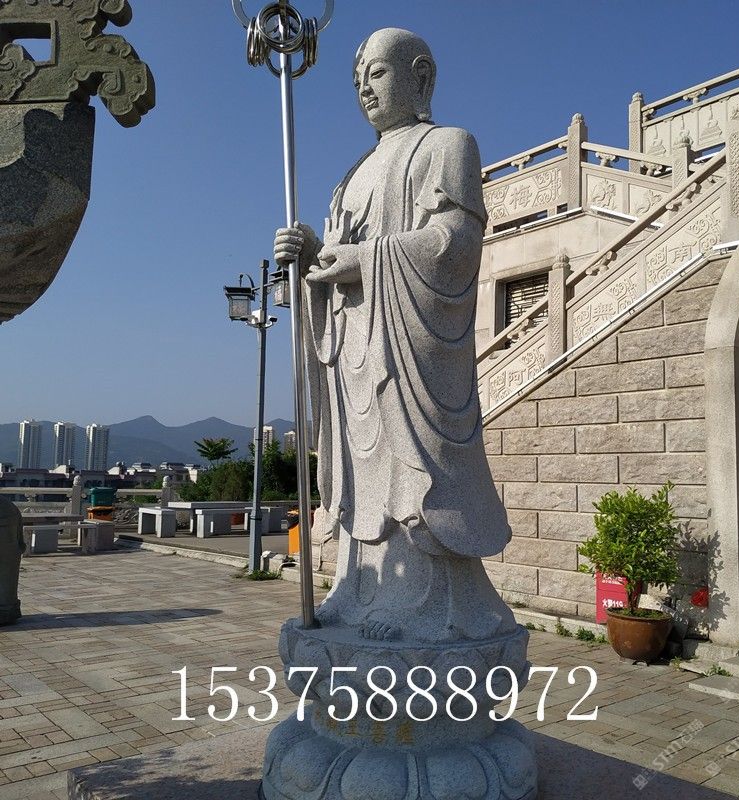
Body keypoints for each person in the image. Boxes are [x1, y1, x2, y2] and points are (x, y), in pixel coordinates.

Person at [274, 28, 514, 643]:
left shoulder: (448, 145)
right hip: (355, 349)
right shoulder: (352, 174)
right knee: (362, 473)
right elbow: (337, 262)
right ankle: (356, 587)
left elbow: (456, 244)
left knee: (412, 470)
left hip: (408, 349)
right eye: (358, 79)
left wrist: (364, 259)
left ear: (420, 76)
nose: (364, 88)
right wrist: (310, 257)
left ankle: (422, 599)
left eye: (377, 73)